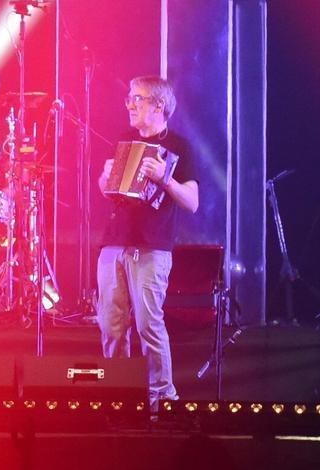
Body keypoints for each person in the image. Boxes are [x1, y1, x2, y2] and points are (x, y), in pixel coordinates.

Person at [96, 76, 199, 406]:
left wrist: (165, 178)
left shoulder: (180, 146)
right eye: (129, 98)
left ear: (159, 105)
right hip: (115, 244)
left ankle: (162, 399)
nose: (130, 104)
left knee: (147, 325)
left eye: (137, 99)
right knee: (111, 325)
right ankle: (117, 395)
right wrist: (103, 179)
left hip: (152, 247)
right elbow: (111, 191)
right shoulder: (123, 139)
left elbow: (192, 201)